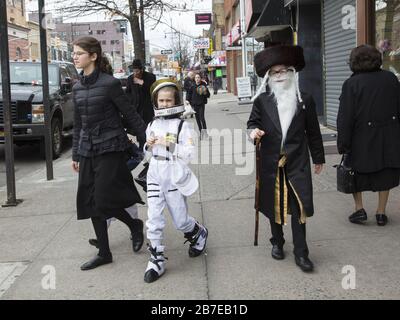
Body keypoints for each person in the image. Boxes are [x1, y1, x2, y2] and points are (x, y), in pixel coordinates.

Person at [247, 44, 325, 272]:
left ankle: (302, 253)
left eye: (283, 71)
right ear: (268, 76)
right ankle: (277, 242)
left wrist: (318, 157)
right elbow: (252, 123)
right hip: (271, 162)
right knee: (274, 206)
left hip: (297, 162)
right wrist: (254, 133)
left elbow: (313, 131)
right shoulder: (262, 100)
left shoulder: (305, 100)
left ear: (292, 72)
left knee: (299, 208)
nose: (279, 76)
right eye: (274, 72)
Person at [71, 36, 147, 270]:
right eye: (73, 53)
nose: (75, 57)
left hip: (111, 147)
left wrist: (148, 138)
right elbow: (78, 124)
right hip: (87, 149)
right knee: (90, 201)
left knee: (103, 199)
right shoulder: (76, 87)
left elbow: (130, 114)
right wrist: (75, 154)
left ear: (93, 56)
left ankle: (134, 225)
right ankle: (104, 252)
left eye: (79, 53)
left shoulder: (110, 84)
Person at [143, 79, 208, 283]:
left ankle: (197, 232)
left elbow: (188, 154)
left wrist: (168, 144)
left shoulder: (183, 126)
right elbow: (146, 153)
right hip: (154, 173)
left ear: (176, 101)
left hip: (173, 175)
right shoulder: (152, 124)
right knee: (153, 219)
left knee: (180, 221)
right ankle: (156, 260)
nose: (164, 104)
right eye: (161, 100)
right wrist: (148, 145)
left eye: (168, 100)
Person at [337, 45, 400, 226]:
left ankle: (359, 209)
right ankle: (381, 212)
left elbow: (345, 117)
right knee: (386, 172)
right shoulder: (391, 78)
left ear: (353, 62)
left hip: (361, 138)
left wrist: (343, 143)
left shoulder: (351, 83)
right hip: (389, 136)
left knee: (354, 172)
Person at [126, 59, 156, 125]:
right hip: (136, 109)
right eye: (134, 71)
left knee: (147, 127)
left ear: (141, 70)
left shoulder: (151, 77)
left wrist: (142, 83)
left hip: (147, 109)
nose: (135, 73)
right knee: (138, 129)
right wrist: (131, 102)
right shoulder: (130, 79)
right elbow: (128, 93)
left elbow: (153, 90)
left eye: (137, 71)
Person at [186, 74, 210, 139]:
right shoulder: (192, 86)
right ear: (194, 79)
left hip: (201, 104)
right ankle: (201, 133)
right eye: (196, 77)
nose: (197, 79)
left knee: (202, 118)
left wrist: (205, 92)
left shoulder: (203, 85)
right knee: (198, 119)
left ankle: (205, 133)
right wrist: (187, 100)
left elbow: (208, 95)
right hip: (195, 105)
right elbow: (189, 94)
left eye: (198, 77)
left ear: (200, 78)